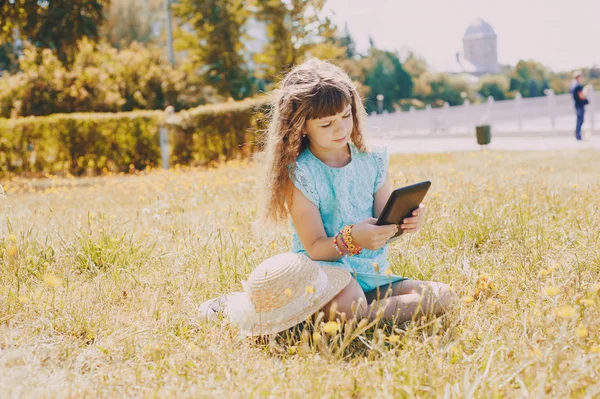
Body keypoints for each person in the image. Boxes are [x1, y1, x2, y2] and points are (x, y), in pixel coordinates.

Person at [200, 59, 456, 334]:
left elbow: (386, 224)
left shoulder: (372, 159)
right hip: (326, 276)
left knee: (445, 295)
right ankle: (350, 311)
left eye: (346, 116)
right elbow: (315, 247)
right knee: (351, 304)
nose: (341, 129)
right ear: (301, 126)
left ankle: (361, 314)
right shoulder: (300, 174)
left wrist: (408, 220)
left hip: (375, 275)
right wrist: (353, 237)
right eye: (327, 124)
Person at [571, 71, 589, 141]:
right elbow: (581, 96)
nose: (581, 78)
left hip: (576, 104)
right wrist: (586, 91)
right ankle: (578, 135)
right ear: (578, 77)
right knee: (580, 120)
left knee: (579, 120)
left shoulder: (573, 85)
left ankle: (578, 134)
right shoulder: (577, 86)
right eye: (581, 77)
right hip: (579, 105)